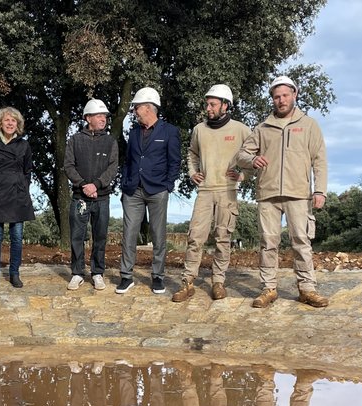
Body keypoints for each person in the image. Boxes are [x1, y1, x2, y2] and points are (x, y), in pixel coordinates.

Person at [232, 75, 330, 308]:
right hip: (268, 194)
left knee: (301, 241)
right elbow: (241, 155)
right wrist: (253, 159)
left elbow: (320, 160)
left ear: (294, 95)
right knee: (268, 242)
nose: (281, 100)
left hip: (298, 193)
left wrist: (320, 191)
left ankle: (307, 289)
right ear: (273, 100)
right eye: (277, 97)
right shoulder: (262, 128)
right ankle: (269, 289)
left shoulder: (309, 125)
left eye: (285, 95)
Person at [173, 85, 251, 303]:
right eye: (207, 104)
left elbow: (254, 156)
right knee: (195, 237)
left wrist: (244, 175)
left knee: (223, 238)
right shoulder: (199, 129)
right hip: (205, 191)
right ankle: (187, 282)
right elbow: (192, 153)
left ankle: (218, 282)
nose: (208, 108)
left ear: (225, 105)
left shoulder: (241, 130)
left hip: (227, 191)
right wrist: (192, 172)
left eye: (213, 104)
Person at [117, 87, 180, 295]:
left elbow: (175, 161)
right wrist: (125, 183)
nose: (135, 111)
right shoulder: (134, 132)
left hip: (157, 191)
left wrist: (168, 185)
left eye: (137, 107)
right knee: (129, 234)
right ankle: (126, 276)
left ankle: (158, 277)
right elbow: (128, 161)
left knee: (158, 234)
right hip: (132, 191)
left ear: (148, 108)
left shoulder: (170, 131)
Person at [64, 99, 119, 291]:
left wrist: (96, 185)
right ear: (88, 118)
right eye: (99, 116)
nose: (103, 119)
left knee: (100, 236)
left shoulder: (110, 141)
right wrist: (83, 185)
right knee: (77, 237)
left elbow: (113, 167)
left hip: (102, 198)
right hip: (80, 197)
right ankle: (77, 273)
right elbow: (68, 166)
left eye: (105, 116)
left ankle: (97, 273)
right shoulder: (75, 140)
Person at [0, 107, 35, 289]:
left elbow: (28, 171)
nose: (10, 123)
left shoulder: (24, 145)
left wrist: (21, 186)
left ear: (17, 125)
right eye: (7, 120)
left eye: (14, 121)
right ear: (0, 123)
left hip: (18, 196)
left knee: (17, 237)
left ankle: (14, 274)